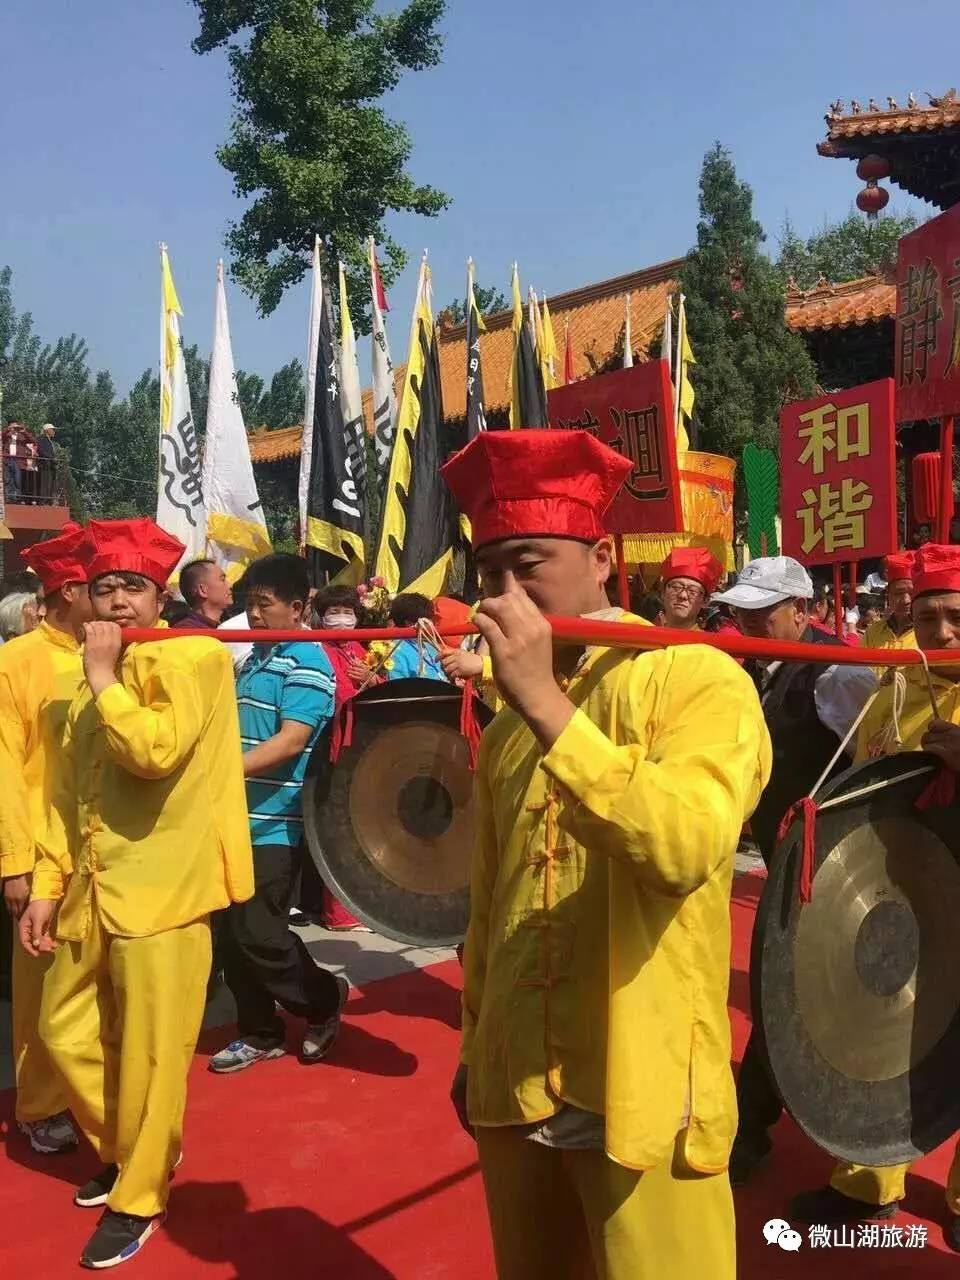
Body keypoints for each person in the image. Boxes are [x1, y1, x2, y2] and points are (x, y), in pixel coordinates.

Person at [441, 429, 772, 1280]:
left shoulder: (695, 678)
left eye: (528, 566)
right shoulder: (512, 725)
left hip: (640, 1080)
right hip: (516, 1076)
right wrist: (476, 1046)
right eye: (488, 577)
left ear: (600, 558)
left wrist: (548, 705)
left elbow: (687, 846)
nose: (503, 597)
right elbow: (491, 905)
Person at [18, 517, 254, 1270]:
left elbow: (152, 752)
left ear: (159, 597)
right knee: (62, 1030)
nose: (118, 601)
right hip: (91, 889)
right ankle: (133, 1149)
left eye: (134, 587)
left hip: (167, 893)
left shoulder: (191, 657)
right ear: (80, 595)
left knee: (153, 1056)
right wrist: (45, 888)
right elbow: (62, 796)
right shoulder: (89, 675)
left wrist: (102, 680)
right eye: (105, 586)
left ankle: (140, 1193)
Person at [789, 543, 960, 1237]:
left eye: (955, 617)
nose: (941, 635)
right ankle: (869, 1182)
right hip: (900, 893)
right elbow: (861, 778)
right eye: (926, 619)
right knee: (880, 1037)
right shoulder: (893, 685)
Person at [712, 557, 877, 1186]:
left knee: (784, 993)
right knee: (791, 993)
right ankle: (760, 1122)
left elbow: (876, 752)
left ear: (803, 612)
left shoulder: (837, 673)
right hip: (786, 856)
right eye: (743, 608)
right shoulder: (764, 666)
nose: (747, 619)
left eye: (763, 609)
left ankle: (750, 1126)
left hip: (825, 864)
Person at [210, 553, 348, 1074]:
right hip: (232, 818)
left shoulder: (309, 663)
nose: (255, 615)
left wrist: (223, 770)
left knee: (260, 934)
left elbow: (292, 740)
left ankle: (323, 999)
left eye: (264, 605)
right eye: (250, 604)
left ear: (297, 606)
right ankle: (259, 1030)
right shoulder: (257, 658)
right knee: (230, 938)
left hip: (276, 823)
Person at [0, 523, 93, 1156]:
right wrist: (14, 863)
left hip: (107, 848)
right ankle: (38, 1103)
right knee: (40, 991)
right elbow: (6, 766)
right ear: (66, 591)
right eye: (102, 586)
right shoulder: (17, 661)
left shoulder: (120, 653)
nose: (116, 599)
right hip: (45, 852)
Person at [862, 552, 916, 662]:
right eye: (898, 593)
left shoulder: (928, 633)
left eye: (912, 593)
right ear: (888, 594)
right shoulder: (873, 631)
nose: (906, 600)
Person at [386, 593, 448, 682]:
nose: (432, 625)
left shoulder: (430, 646)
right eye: (427, 620)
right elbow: (398, 687)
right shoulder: (395, 650)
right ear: (409, 623)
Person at [657, 546, 723, 631]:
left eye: (693, 591)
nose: (683, 595)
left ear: (705, 601)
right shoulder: (642, 640)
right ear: (663, 592)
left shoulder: (707, 644)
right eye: (676, 587)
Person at [174, 558, 234, 629]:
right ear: (203, 590)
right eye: (222, 579)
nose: (230, 585)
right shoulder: (186, 631)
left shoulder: (228, 625)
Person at [37, 423, 57, 503]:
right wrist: (51, 458)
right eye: (52, 429)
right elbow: (41, 451)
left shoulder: (49, 441)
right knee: (44, 482)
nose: (54, 431)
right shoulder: (41, 439)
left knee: (50, 483)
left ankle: (49, 499)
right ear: (47, 430)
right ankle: (43, 500)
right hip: (45, 464)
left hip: (51, 465)